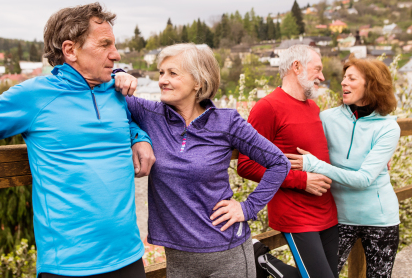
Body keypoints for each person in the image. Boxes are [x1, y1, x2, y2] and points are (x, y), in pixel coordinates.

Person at [0, 3, 156, 278]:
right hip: (68, 266)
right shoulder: (35, 95)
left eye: (114, 44)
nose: (115, 55)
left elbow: (126, 123)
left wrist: (140, 137)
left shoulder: (115, 91)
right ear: (70, 50)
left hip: (129, 257)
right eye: (105, 44)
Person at [123, 43, 290, 278]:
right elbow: (106, 92)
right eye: (161, 72)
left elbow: (279, 163)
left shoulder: (226, 122)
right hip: (178, 257)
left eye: (172, 73)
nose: (162, 80)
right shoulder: (150, 114)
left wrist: (248, 208)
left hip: (227, 254)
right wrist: (120, 76)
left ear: (198, 82)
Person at [237, 44, 339, 278]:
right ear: (297, 67)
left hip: (327, 210)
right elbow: (247, 164)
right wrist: (301, 181)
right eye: (318, 69)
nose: (322, 77)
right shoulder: (267, 108)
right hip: (297, 214)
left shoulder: (313, 107)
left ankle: (262, 259)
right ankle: (262, 259)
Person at [295, 55, 401, 278]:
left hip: (380, 219)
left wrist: (316, 165)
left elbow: (363, 179)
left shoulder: (388, 127)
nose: (343, 82)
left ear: (370, 84)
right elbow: (297, 143)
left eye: (351, 78)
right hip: (338, 217)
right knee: (320, 275)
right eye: (344, 78)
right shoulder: (325, 118)